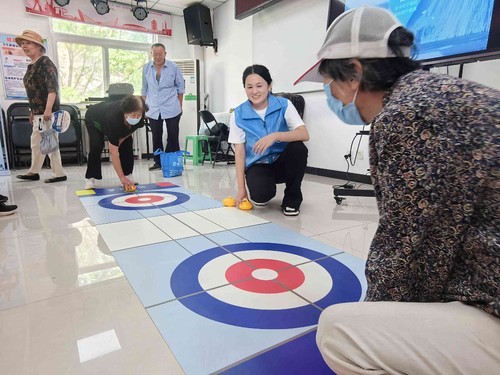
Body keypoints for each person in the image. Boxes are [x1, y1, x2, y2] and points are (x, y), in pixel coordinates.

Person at [295, 6, 500, 374]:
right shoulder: (446, 92)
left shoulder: (404, 115)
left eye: (330, 84)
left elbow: (405, 245)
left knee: (340, 331)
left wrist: (375, 316)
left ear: (355, 71)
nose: (332, 96)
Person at [228, 65, 309, 216]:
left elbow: (304, 133)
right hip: (258, 165)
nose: (254, 91)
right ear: (244, 88)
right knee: (260, 198)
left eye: (259, 86)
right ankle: (263, 188)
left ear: (269, 86)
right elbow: (239, 151)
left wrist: (275, 136)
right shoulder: (238, 114)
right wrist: (241, 189)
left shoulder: (284, 105)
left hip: (283, 162)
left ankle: (292, 199)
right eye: (249, 87)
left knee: (298, 148)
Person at [15, 30, 67, 184]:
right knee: (36, 143)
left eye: (28, 43)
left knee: (49, 142)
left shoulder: (45, 62)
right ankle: (34, 171)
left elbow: (52, 89)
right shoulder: (31, 66)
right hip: (38, 112)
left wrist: (48, 110)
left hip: (47, 112)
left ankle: (59, 173)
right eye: (23, 44)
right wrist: (33, 111)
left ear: (38, 46)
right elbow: (33, 92)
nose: (24, 46)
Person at [84, 95, 146, 190]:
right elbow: (113, 152)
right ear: (125, 113)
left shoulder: (140, 114)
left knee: (127, 142)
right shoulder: (114, 118)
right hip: (95, 119)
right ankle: (91, 177)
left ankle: (127, 174)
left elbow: (134, 128)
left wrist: (122, 139)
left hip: (111, 120)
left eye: (138, 115)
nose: (136, 117)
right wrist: (121, 178)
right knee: (97, 144)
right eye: (133, 115)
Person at [141, 43, 185, 171]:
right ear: (151, 54)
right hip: (153, 108)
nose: (158, 56)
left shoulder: (174, 67)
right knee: (156, 135)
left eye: (160, 54)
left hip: (171, 106)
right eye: (155, 54)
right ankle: (158, 162)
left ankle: (175, 161)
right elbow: (144, 90)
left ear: (165, 54)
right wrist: (144, 108)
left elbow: (180, 88)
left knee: (173, 135)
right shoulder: (146, 68)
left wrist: (180, 105)